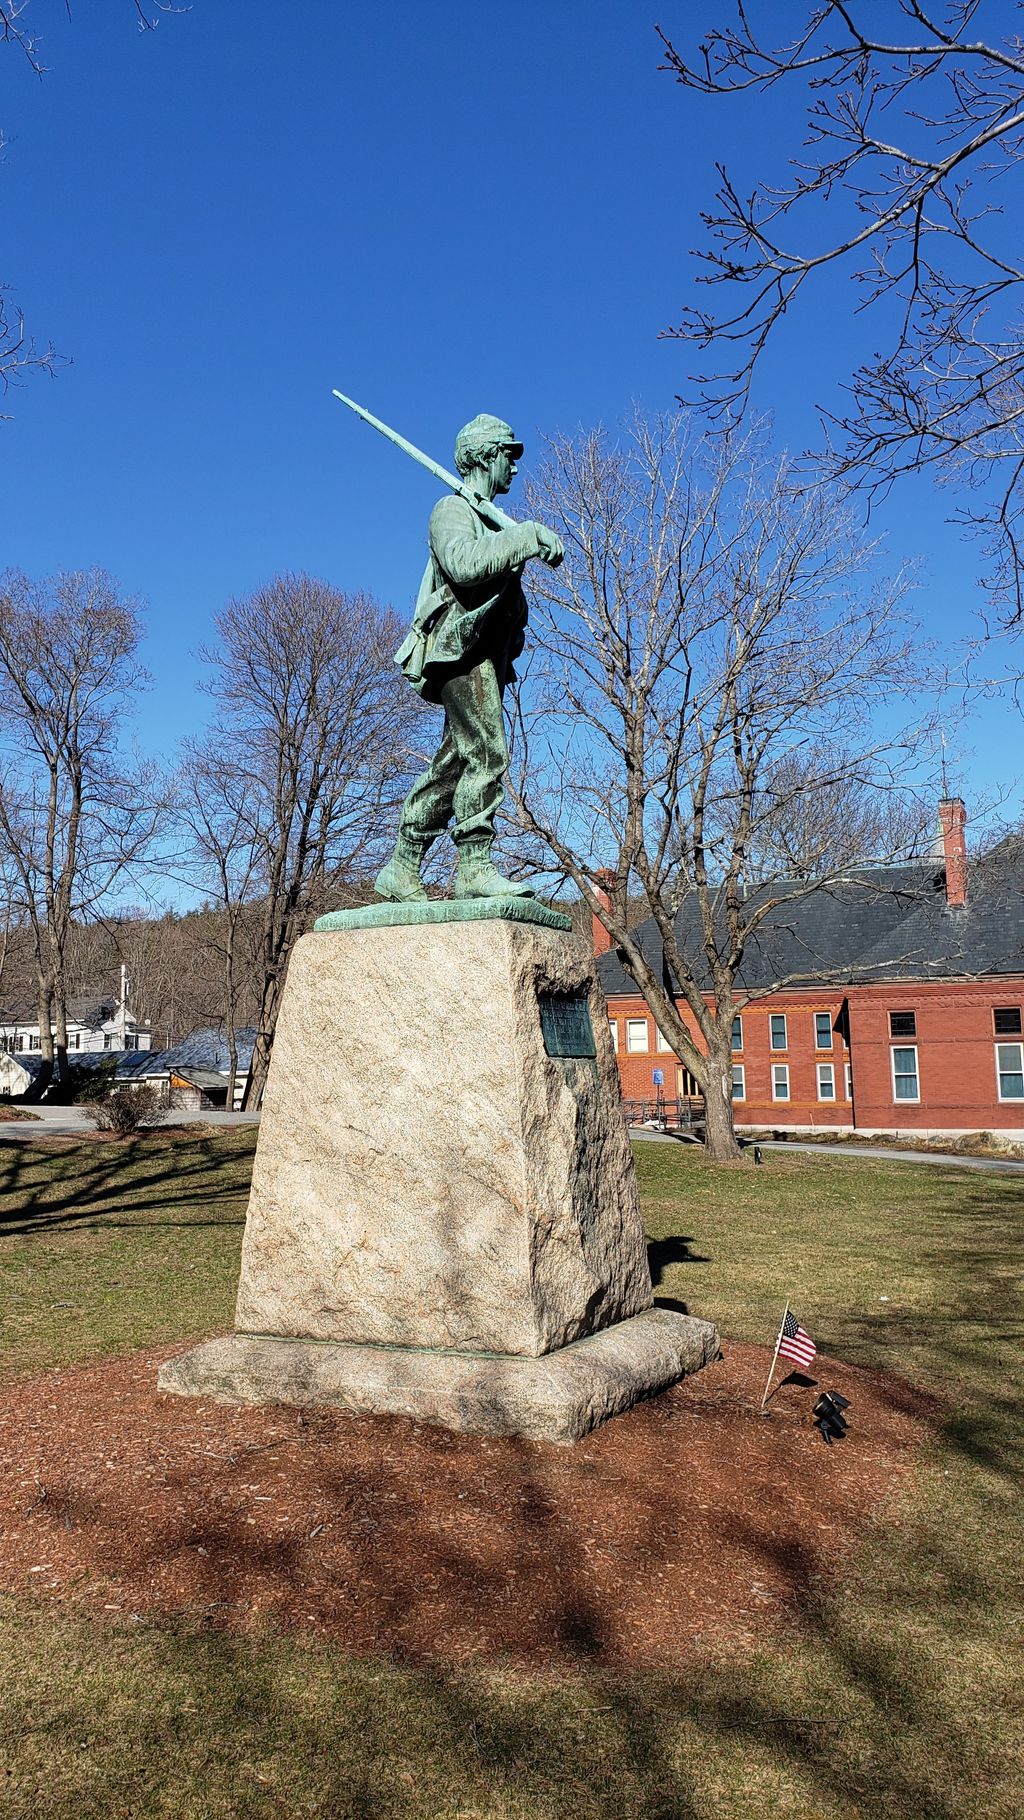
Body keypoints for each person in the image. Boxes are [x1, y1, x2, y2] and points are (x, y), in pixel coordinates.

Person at [374, 413, 564, 902]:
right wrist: (526, 536)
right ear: (484, 456)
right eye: (508, 454)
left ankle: (402, 863)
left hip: (486, 651)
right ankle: (474, 865)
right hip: (458, 648)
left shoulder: (490, 520)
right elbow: (463, 565)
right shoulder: (450, 510)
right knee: (485, 750)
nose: (515, 467)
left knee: (456, 761)